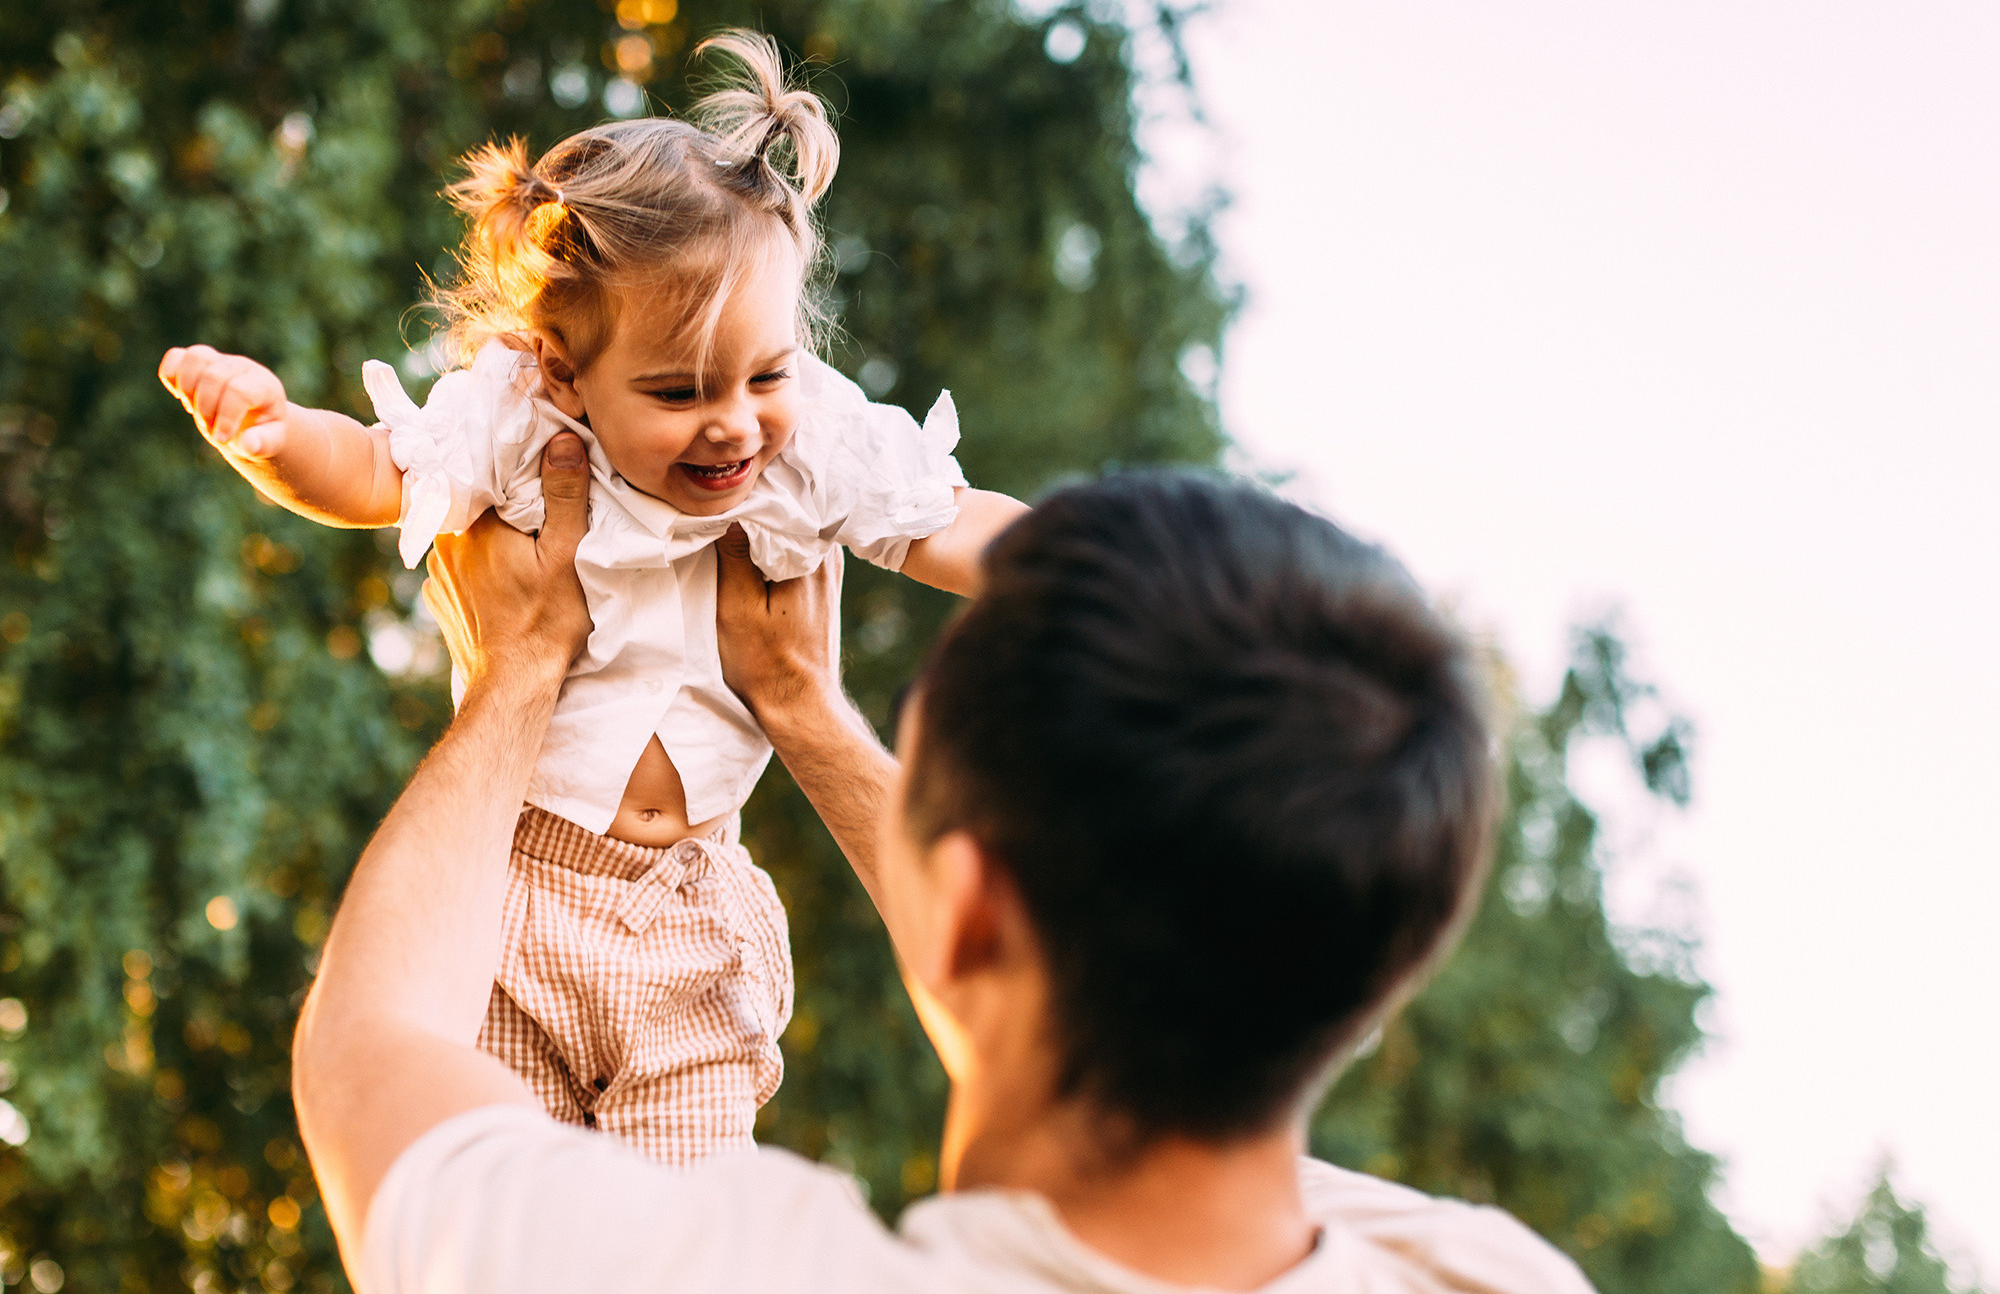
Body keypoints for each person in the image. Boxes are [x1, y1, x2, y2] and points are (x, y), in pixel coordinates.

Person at [290, 435, 1596, 1293]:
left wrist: (517, 671)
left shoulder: (705, 1267)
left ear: (961, 906)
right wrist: (796, 702)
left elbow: (372, 1041)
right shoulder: (1484, 1271)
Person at [156, 30, 1027, 1163]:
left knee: (674, 1231)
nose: (731, 422)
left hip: (685, 918)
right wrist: (273, 437)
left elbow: (951, 523)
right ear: (564, 370)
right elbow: (377, 471)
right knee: (512, 1204)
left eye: (762, 374)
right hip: (512, 890)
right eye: (676, 391)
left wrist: (1093, 566)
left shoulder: (812, 442)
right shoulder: (519, 424)